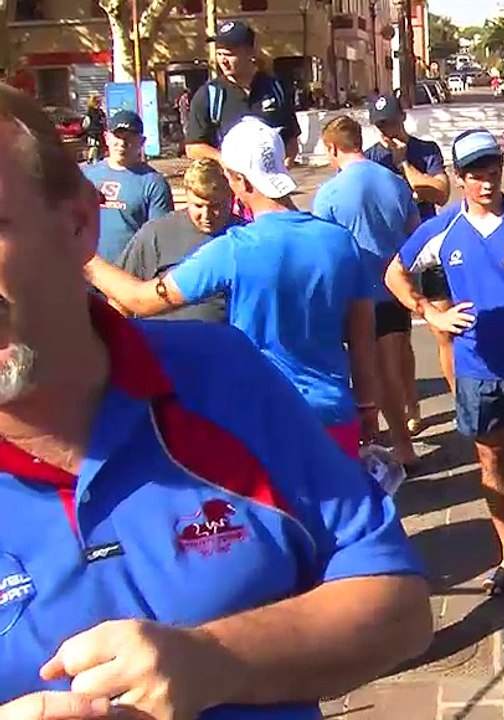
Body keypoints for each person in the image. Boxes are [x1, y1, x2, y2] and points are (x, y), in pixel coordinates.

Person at [0, 80, 432, 720]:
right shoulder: (329, 234)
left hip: (300, 423)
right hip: (338, 410)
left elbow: (397, 602)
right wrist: (374, 406)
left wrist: (214, 661)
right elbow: (362, 331)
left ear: (79, 223)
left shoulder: (221, 368)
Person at [86, 117, 377, 460]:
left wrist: (82, 258)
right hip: (333, 415)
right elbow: (362, 338)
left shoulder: (234, 248)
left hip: (264, 417)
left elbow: (140, 299)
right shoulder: (341, 241)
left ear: (238, 179)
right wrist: (368, 406)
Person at [387, 128, 504, 596]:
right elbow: (395, 272)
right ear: (460, 177)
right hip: (477, 371)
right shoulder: (442, 228)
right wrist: (430, 311)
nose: (486, 182)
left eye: (492, 171)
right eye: (474, 174)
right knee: (492, 464)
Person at [312, 115, 421, 467]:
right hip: (393, 286)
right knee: (391, 369)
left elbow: (323, 249)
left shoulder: (329, 192)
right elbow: (414, 231)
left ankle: (367, 439)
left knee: (362, 370)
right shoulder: (395, 182)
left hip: (354, 294)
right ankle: (404, 445)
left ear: (331, 148)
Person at [363, 94, 451, 432]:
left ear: (403, 117)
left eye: (392, 122)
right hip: (391, 255)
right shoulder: (370, 159)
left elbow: (439, 193)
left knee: (442, 327)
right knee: (396, 342)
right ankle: (410, 403)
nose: (388, 131)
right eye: (381, 125)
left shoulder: (425, 150)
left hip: (427, 251)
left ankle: (458, 397)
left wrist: (403, 163)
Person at [116, 158, 238, 324]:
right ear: (187, 197)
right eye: (198, 206)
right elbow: (121, 297)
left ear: (231, 198)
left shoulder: (244, 236)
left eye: (216, 206)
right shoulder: (156, 233)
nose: (207, 216)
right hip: (162, 341)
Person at [184, 20, 301, 164]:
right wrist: (225, 160)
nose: (223, 61)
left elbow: (291, 137)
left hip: (270, 182)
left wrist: (287, 160)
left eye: (229, 55)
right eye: (219, 54)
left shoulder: (275, 88)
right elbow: (193, 148)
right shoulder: (209, 95)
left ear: (250, 53)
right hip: (229, 183)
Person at [81, 110, 175, 265]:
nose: (122, 144)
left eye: (129, 138)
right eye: (117, 137)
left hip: (130, 275)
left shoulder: (153, 183)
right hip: (90, 272)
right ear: (106, 138)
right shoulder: (87, 175)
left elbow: (159, 238)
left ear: (142, 141)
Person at [81, 94, 105, 162]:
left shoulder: (100, 112)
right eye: (98, 102)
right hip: (93, 134)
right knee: (93, 148)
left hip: (100, 134)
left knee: (100, 149)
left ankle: (99, 160)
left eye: (100, 102)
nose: (100, 104)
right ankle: (91, 160)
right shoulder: (90, 113)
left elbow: (103, 121)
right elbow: (86, 124)